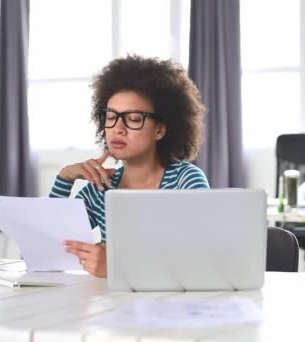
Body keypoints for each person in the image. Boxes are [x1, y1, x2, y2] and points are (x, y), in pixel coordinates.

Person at [49, 55, 209, 277]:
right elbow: (50, 246)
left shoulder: (185, 180)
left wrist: (116, 267)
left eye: (133, 119)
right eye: (111, 117)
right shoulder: (100, 189)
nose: (118, 128)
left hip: (170, 305)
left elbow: (198, 258)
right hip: (111, 305)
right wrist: (64, 178)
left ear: (160, 130)